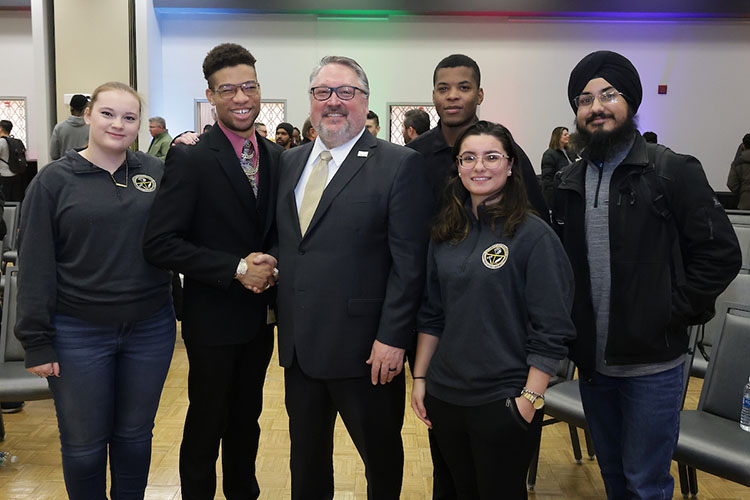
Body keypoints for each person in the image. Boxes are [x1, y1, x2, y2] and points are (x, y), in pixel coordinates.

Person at [554, 50, 741, 500]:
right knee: (615, 477)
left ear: (631, 103)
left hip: (653, 366)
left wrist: (673, 312)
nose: (596, 107)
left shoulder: (670, 170)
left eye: (609, 94)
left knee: (647, 484)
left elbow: (721, 253)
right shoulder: (569, 181)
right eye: (584, 99)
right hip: (594, 365)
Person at [272, 55, 432, 499]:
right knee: (305, 461)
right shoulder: (290, 162)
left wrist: (394, 338)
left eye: (346, 92)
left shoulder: (399, 164)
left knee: (380, 459)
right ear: (310, 102)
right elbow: (290, 242)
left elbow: (409, 262)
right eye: (323, 92)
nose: (334, 102)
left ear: (366, 101)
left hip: (367, 352)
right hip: (300, 347)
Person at [15, 81, 175, 500]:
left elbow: (178, 241)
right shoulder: (53, 182)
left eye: (129, 117)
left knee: (135, 439)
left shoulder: (155, 173)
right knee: (84, 447)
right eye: (107, 114)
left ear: (141, 124)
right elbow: (33, 264)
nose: (118, 124)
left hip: (150, 329)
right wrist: (36, 341)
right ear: (87, 115)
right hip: (76, 332)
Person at [406, 53, 548, 500]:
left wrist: (531, 398)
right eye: (444, 88)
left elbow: (547, 312)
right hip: (441, 351)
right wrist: (421, 376)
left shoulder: (527, 215)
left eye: (463, 87)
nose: (479, 167)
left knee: (498, 483)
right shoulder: (414, 161)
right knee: (450, 476)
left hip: (502, 363)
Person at [143, 43, 282, 500]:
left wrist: (271, 266)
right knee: (206, 422)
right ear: (211, 96)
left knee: (248, 419)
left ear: (259, 89)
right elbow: (160, 243)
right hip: (214, 318)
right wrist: (237, 267)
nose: (241, 97)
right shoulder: (192, 156)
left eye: (249, 86)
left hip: (260, 321)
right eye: (228, 90)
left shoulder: (276, 157)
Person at [540, 126, 573, 209]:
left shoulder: (571, 152)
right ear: (558, 137)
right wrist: (552, 201)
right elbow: (547, 180)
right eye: (565, 134)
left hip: (571, 192)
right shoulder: (549, 154)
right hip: (560, 195)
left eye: (568, 134)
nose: (568, 136)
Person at [50, 94, 90, 160]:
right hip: (86, 168)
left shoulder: (59, 128)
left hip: (64, 168)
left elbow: (54, 155)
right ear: (86, 109)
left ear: (71, 108)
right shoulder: (91, 128)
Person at [0, 120, 24, 202]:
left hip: (3, 177)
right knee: (15, 202)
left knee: (5, 202)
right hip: (16, 175)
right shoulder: (16, 142)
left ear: (1, 129)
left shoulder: (1, 142)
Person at [728, 133, 750, 209]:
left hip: (745, 204)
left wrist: (743, 191)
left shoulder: (737, 163)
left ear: (743, 146)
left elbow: (731, 184)